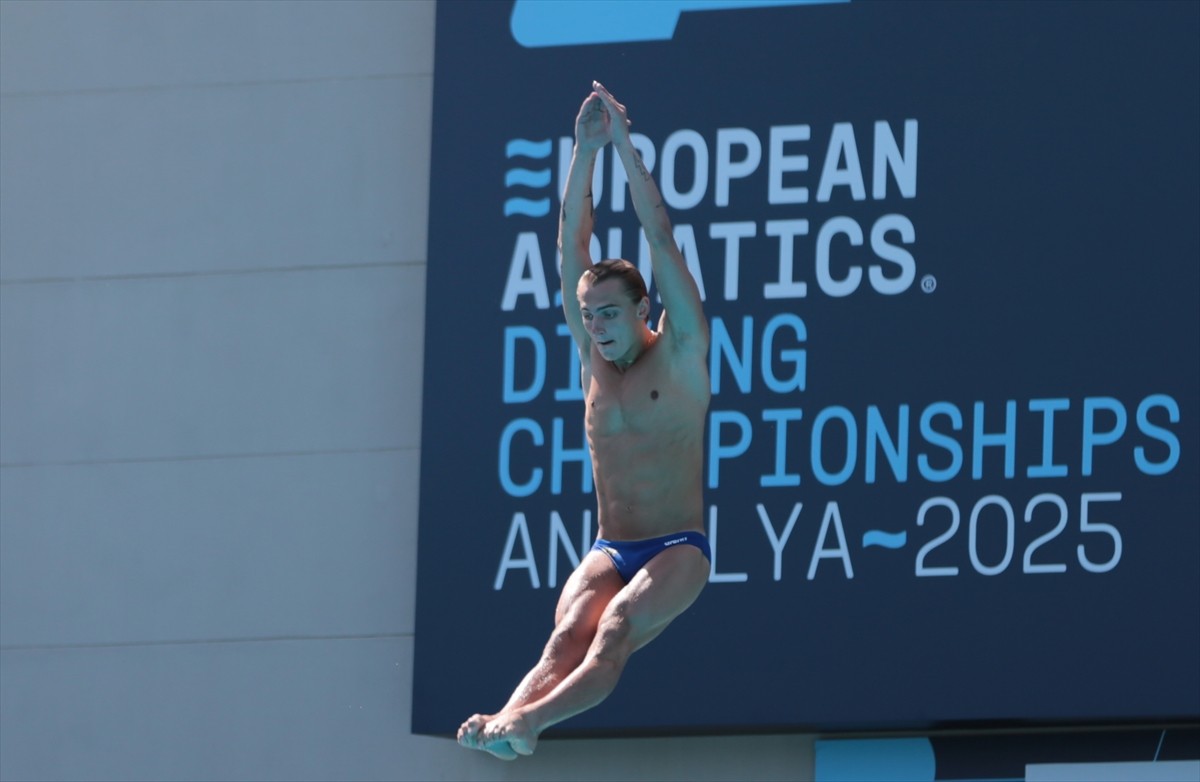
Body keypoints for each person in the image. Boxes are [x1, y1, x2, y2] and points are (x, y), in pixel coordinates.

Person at [457, 81, 712, 760]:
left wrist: (623, 145)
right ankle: (510, 718)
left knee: (617, 626)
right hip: (611, 546)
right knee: (567, 634)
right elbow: (571, 240)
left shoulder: (682, 353)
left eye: (608, 313)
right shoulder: (592, 358)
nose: (595, 326)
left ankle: (531, 723)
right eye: (588, 314)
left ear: (641, 309)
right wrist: (583, 150)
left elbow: (659, 235)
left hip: (678, 548)